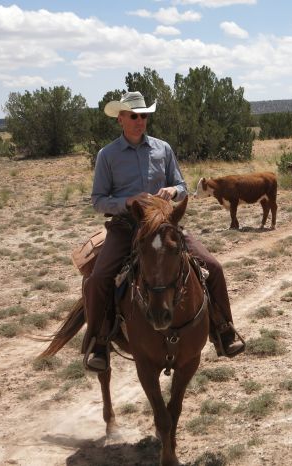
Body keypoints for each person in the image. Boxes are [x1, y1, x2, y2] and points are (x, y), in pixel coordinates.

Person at [83, 91, 245, 372]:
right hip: (126, 227)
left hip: (165, 226)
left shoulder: (162, 149)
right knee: (98, 278)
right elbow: (98, 200)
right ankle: (98, 342)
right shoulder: (107, 155)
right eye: (133, 116)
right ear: (121, 118)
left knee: (214, 267)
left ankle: (223, 330)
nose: (139, 121)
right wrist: (127, 202)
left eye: (144, 116)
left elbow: (181, 186)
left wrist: (173, 190)